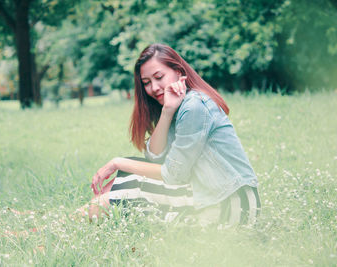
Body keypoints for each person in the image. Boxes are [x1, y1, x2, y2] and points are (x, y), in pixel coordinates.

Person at [77, 43, 260, 226]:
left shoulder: (195, 106)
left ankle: (72, 223)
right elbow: (154, 157)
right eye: (147, 83)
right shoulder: (176, 105)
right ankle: (76, 221)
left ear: (178, 72)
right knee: (128, 176)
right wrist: (167, 112)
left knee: (131, 183)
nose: (154, 88)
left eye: (159, 77)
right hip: (209, 194)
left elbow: (173, 174)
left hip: (232, 204)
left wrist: (116, 162)